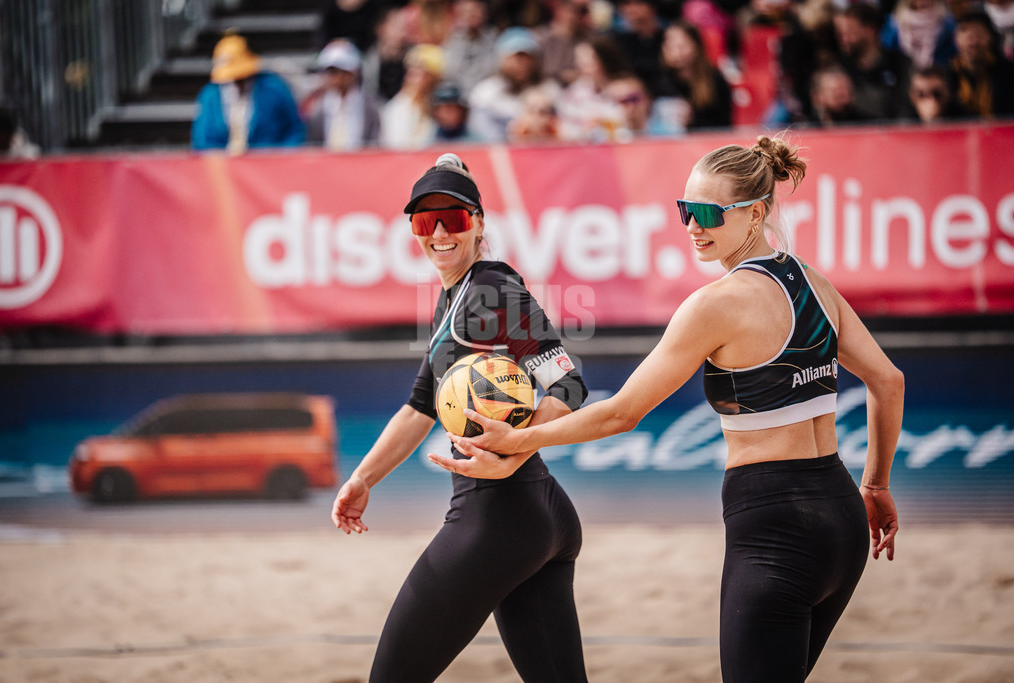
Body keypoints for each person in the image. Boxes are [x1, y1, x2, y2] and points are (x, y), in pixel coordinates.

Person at [435, 135, 904, 683]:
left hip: (775, 526)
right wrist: (875, 485)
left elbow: (622, 413)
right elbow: (887, 381)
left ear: (755, 214)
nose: (692, 227)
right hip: (842, 517)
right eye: (685, 211)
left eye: (708, 213)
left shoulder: (714, 305)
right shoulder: (815, 285)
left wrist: (518, 442)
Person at [332, 153, 591, 683]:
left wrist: (514, 448)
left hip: (497, 518)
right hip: (534, 513)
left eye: (455, 218)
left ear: (478, 223)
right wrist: (363, 479)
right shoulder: (455, 296)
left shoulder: (491, 289)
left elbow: (568, 385)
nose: (440, 232)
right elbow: (419, 407)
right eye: (426, 222)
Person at [190, 33, 306, 153]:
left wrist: (284, 156)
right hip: (224, 166)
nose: (236, 82)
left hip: (269, 164)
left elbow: (295, 128)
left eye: (240, 78)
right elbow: (202, 141)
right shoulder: (209, 96)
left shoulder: (273, 88)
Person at [467, 27, 562, 141]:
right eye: (516, 57)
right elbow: (481, 134)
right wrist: (515, 132)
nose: (522, 63)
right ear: (502, 59)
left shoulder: (550, 89)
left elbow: (564, 129)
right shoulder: (486, 93)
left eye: (528, 57)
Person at [653, 20, 734, 130]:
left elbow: (724, 124)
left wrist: (692, 119)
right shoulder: (660, 80)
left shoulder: (715, 80)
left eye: (681, 46)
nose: (677, 52)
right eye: (670, 46)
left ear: (696, 46)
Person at [302, 40, 381, 150]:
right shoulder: (318, 110)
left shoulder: (370, 108)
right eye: (328, 71)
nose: (330, 77)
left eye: (335, 71)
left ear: (351, 73)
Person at [945, 8, 1014, 119]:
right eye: (966, 33)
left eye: (979, 33)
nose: (973, 41)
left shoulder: (1008, 73)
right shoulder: (946, 75)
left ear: (990, 37)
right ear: (956, 39)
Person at [379, 43, 444, 149]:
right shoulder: (396, 108)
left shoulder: (441, 105)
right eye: (413, 71)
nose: (415, 77)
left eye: (422, 72)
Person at [904, 65, 970, 121]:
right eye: (921, 94)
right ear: (912, 96)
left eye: (936, 94)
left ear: (948, 94)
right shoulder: (904, 123)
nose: (930, 100)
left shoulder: (963, 120)